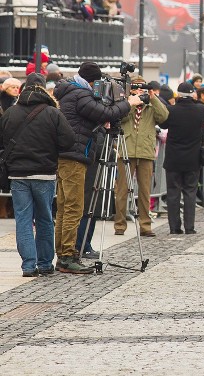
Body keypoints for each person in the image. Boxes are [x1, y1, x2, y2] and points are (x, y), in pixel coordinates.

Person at [53, 62, 141, 273]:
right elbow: (104, 112)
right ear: (93, 82)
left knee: (65, 208)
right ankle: (67, 257)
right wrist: (129, 103)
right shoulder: (81, 95)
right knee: (73, 208)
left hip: (68, 154)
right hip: (75, 156)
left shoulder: (71, 91)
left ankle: (64, 254)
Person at [0, 73, 74, 276]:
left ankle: (28, 266)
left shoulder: (10, 113)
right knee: (44, 219)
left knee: (23, 220)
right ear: (43, 89)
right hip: (44, 173)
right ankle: (44, 263)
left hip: (18, 175)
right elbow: (68, 141)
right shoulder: (52, 112)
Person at [115, 76, 169, 237]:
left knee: (145, 191)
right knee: (122, 190)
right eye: (135, 88)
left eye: (142, 88)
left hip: (145, 151)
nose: (139, 91)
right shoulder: (124, 103)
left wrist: (153, 98)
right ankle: (119, 225)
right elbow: (119, 117)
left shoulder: (151, 105)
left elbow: (164, 116)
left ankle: (145, 225)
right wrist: (131, 102)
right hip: (127, 149)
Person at [161, 82, 204, 234]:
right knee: (190, 192)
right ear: (192, 93)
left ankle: (174, 227)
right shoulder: (201, 109)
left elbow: (164, 125)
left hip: (174, 157)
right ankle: (189, 227)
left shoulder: (171, 110)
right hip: (193, 158)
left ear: (178, 94)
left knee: (173, 193)